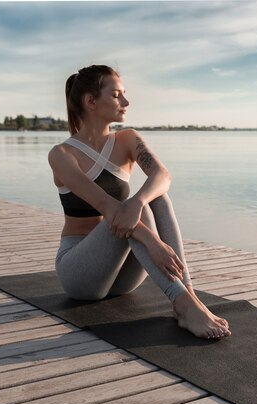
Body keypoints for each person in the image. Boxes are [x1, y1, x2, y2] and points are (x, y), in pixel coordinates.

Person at [48, 64, 230, 339]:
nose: (126, 102)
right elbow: (110, 209)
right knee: (134, 211)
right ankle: (183, 303)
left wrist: (138, 200)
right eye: (116, 95)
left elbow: (162, 175)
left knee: (155, 198)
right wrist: (154, 242)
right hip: (81, 274)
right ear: (90, 101)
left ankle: (188, 298)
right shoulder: (62, 154)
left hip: (122, 277)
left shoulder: (127, 139)